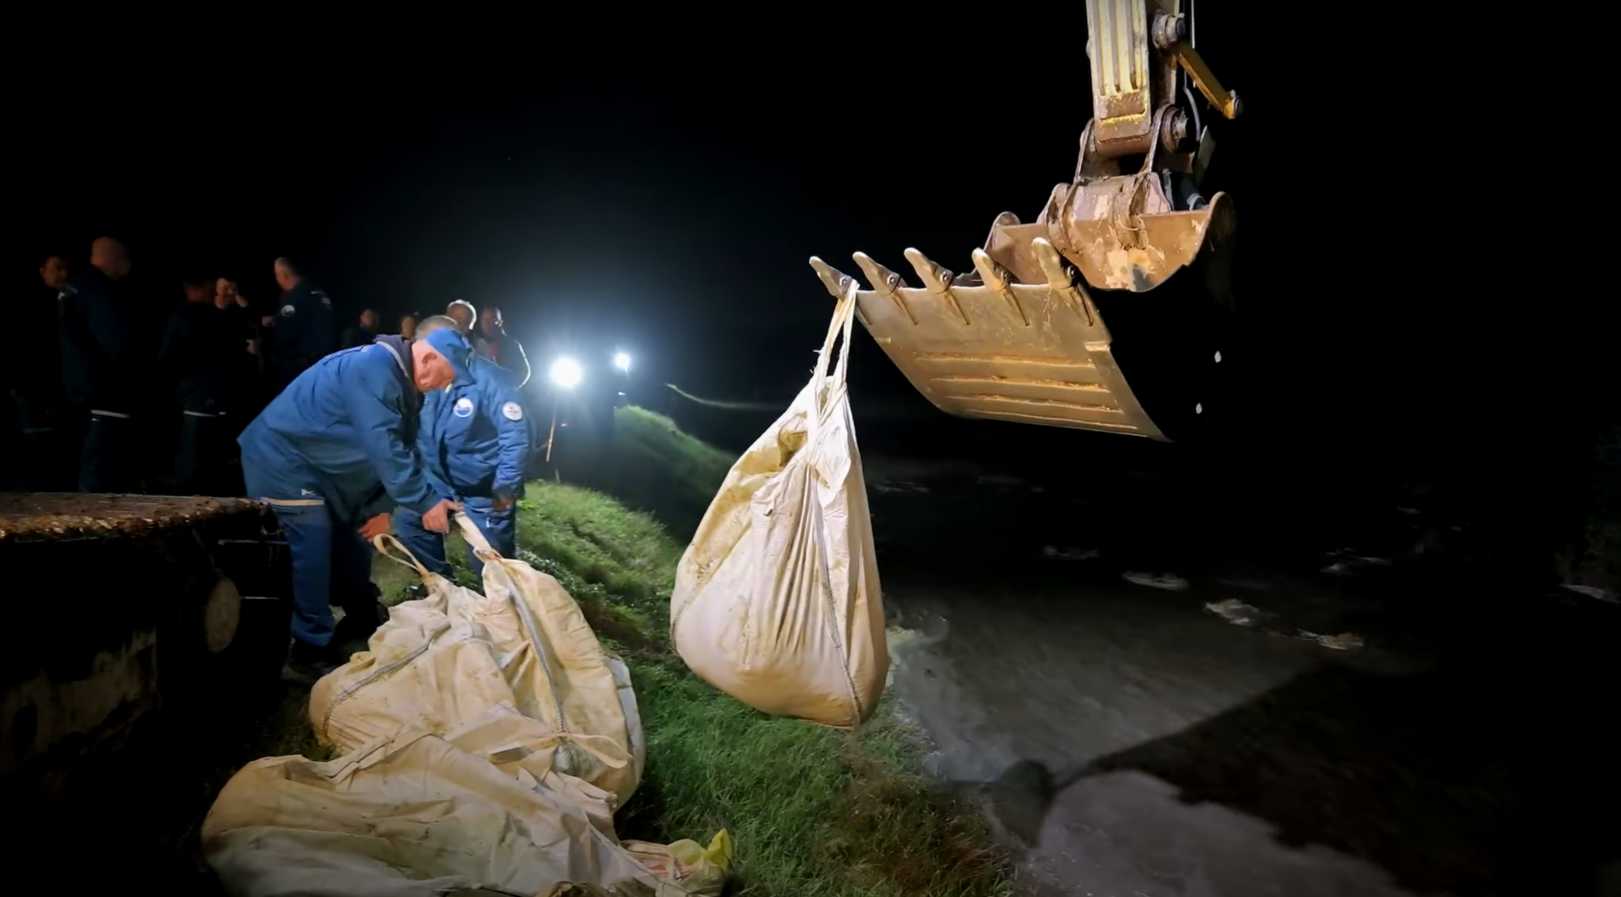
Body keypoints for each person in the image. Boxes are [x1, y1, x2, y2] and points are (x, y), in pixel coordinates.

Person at [237, 315, 465, 683]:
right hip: (285, 457)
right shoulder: (375, 368)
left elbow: (405, 449)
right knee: (311, 545)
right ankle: (308, 652)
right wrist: (424, 503)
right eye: (446, 377)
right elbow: (384, 446)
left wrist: (392, 507)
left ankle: (360, 613)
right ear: (427, 362)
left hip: (323, 467)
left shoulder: (404, 384)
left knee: (353, 538)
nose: (443, 387)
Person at [395, 326, 533, 575]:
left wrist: (504, 491)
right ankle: (443, 589)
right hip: (439, 483)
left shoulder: (492, 381)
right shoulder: (429, 380)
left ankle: (505, 608)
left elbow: (516, 438)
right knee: (408, 523)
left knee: (494, 568)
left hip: (484, 490)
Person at [60, 237, 144, 492]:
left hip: (77, 392)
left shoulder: (74, 287)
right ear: (117, 259)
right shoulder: (101, 290)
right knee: (102, 474)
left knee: (86, 465)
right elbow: (117, 341)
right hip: (104, 395)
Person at [160, 274, 244, 494]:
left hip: (202, 394)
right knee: (197, 453)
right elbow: (207, 349)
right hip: (200, 394)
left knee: (202, 451)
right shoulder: (192, 315)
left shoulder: (193, 315)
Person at [7, 254, 74, 489]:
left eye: (65, 268)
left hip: (58, 385)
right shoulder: (29, 304)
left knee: (52, 444)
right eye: (57, 268)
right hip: (31, 384)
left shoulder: (70, 300)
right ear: (42, 270)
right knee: (34, 444)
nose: (62, 274)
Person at [267, 256, 337, 389]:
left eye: (277, 275)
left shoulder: (294, 298)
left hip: (301, 369)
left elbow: (284, 333)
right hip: (324, 366)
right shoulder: (318, 292)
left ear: (284, 275)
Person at [473, 304, 532, 388]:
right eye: (485, 320)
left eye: (492, 319)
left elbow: (523, 372)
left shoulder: (511, 346)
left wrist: (507, 385)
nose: (488, 323)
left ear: (500, 322)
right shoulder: (475, 345)